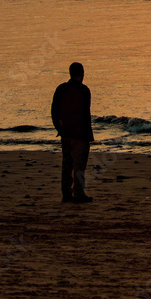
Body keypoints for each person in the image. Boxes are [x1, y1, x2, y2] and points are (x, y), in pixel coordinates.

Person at [51, 62, 95, 203]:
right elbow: (86, 114)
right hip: (80, 134)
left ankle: (66, 193)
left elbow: (54, 111)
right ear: (82, 74)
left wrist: (59, 129)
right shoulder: (84, 90)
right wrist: (89, 135)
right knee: (79, 166)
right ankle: (78, 193)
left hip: (66, 134)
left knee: (67, 165)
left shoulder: (61, 89)